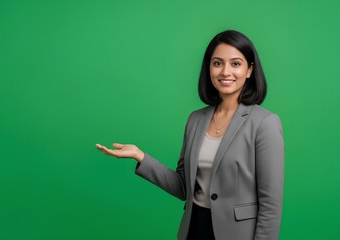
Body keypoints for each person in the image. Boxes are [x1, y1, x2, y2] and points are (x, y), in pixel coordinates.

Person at [96, 30, 284, 240]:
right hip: (194, 228)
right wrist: (141, 157)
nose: (225, 71)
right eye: (217, 63)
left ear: (249, 70)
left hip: (237, 233)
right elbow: (183, 187)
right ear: (209, 68)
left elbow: (270, 206)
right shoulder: (196, 120)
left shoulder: (265, 123)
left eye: (236, 63)